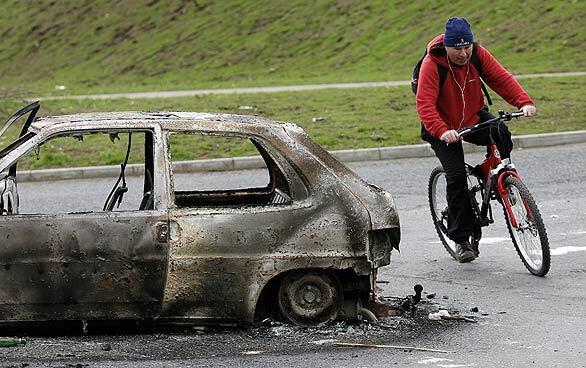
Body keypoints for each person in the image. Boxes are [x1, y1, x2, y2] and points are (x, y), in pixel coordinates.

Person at [416, 17, 536, 263]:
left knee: (501, 131)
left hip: (472, 117)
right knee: (457, 177)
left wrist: (523, 101)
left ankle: (501, 175)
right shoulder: (433, 63)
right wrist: (441, 130)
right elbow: (425, 104)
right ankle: (461, 240)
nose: (463, 53)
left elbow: (501, 78)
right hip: (441, 126)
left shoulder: (478, 55)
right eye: (457, 48)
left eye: (467, 46)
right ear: (447, 47)